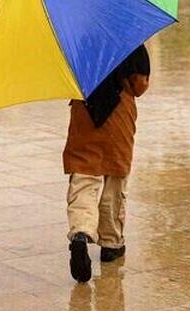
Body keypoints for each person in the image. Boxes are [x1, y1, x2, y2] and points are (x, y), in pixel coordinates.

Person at [62, 44, 150, 282]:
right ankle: (111, 243)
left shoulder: (74, 41)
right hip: (118, 117)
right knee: (114, 179)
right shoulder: (129, 39)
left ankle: (81, 232)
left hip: (85, 112)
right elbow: (140, 85)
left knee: (84, 177)